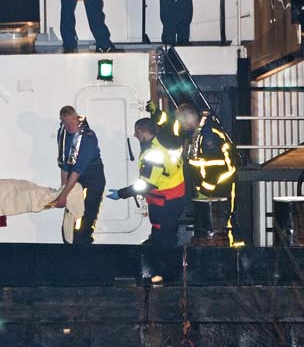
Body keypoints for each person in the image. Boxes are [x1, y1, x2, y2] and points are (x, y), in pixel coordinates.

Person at [106, 117, 187, 247]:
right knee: (166, 232)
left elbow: (146, 185)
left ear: (144, 132)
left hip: (164, 201)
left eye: (137, 133)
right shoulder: (167, 142)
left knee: (164, 237)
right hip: (176, 196)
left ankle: (165, 264)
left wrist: (121, 194)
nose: (134, 135)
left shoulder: (154, 154)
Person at [177, 104, 243, 247]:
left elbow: (217, 166)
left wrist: (205, 188)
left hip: (222, 185)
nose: (181, 126)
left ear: (187, 120)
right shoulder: (196, 134)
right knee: (215, 226)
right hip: (210, 189)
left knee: (227, 222)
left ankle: (234, 256)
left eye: (181, 122)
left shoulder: (208, 134)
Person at [55, 106, 106, 244]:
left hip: (92, 174)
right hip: (74, 174)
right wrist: (63, 189)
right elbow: (65, 164)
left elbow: (79, 168)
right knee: (70, 215)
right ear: (62, 122)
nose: (70, 126)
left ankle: (84, 244)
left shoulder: (88, 137)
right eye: (66, 123)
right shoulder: (63, 134)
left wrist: (64, 195)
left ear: (77, 118)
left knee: (86, 216)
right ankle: (68, 243)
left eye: (72, 122)